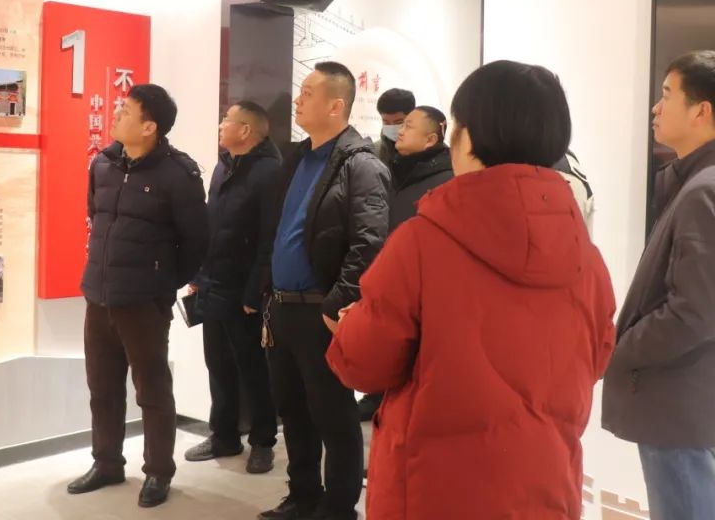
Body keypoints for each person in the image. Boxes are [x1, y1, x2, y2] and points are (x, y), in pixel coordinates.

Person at [325, 60, 616, 519]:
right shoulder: (587, 257)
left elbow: (364, 363)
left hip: (434, 492)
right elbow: (596, 358)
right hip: (545, 489)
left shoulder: (422, 242)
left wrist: (351, 325)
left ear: (469, 137)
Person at [603, 51, 715, 520]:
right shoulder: (711, 180)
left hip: (679, 403)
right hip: (684, 397)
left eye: (667, 95)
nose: (656, 107)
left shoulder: (710, 190)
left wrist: (614, 349)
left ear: (701, 111)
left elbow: (692, 315)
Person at [259, 61, 390, 520]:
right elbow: (279, 230)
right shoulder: (296, 158)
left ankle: (338, 507)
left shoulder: (362, 165)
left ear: (336, 106)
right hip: (282, 308)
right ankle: (303, 495)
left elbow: (369, 245)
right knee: (293, 411)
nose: (297, 99)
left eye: (308, 93)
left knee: (333, 415)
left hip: (323, 312)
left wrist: (335, 304)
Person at [67, 84, 208, 509]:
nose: (116, 113)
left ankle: (158, 471)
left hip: (145, 302)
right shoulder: (103, 164)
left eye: (126, 110)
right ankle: (107, 462)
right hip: (99, 296)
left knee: (152, 390)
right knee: (102, 388)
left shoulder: (179, 174)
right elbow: (95, 215)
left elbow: (196, 241)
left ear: (150, 127)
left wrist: (162, 283)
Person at [184, 101, 280, 473]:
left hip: (244, 292)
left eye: (227, 120)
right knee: (218, 364)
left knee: (253, 369)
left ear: (246, 130)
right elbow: (212, 226)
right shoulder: (224, 165)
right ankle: (223, 435)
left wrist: (255, 292)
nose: (221, 125)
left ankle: (263, 441)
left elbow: (269, 239)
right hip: (214, 284)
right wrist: (198, 275)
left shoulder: (269, 172)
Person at [356, 104, 454, 422]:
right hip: (390, 282)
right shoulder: (394, 170)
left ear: (430, 139)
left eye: (407, 125)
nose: (399, 131)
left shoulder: (446, 180)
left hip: (425, 292)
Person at [373, 88, 415, 167]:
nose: (392, 127)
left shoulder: (426, 149)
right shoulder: (374, 152)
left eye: (398, 122)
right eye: (386, 122)